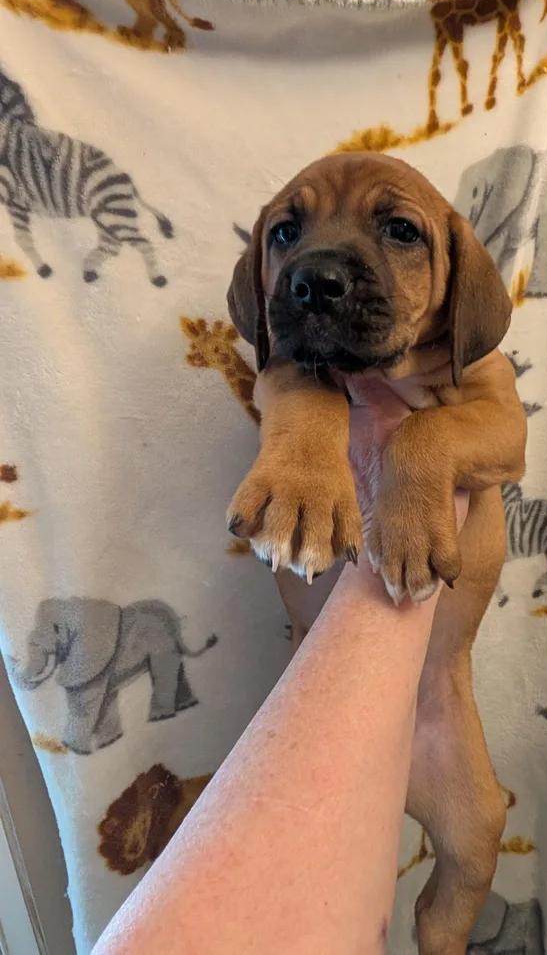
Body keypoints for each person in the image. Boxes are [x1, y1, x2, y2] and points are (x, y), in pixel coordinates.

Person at [93, 376, 469, 954]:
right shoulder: (300, 380)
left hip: (443, 703)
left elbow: (503, 430)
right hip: (328, 692)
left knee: (474, 848)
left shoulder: (459, 367)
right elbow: (285, 372)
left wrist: (424, 454)